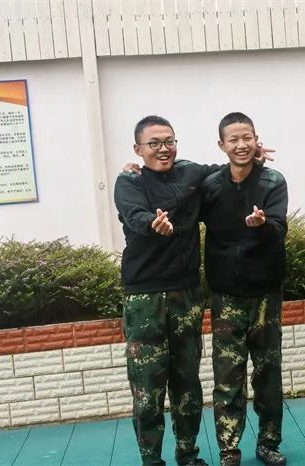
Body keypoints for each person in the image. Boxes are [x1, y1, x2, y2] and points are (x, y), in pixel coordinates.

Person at [114, 115, 210, 466]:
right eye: (153, 143)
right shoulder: (129, 181)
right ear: (138, 149)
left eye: (169, 141)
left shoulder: (190, 174)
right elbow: (134, 215)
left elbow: (225, 172)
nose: (163, 149)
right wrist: (153, 223)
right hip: (145, 298)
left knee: (188, 383)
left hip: (186, 294)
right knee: (147, 387)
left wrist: (251, 156)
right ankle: (151, 459)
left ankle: (188, 454)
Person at [202, 112, 288, 466]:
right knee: (228, 376)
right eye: (234, 140)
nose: (242, 145)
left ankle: (269, 442)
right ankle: (229, 448)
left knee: (268, 373)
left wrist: (262, 224)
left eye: (247, 138)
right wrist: (135, 171)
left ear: (257, 139)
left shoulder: (272, 181)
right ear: (221, 145)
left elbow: (279, 229)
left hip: (266, 294)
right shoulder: (210, 185)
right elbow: (178, 181)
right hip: (226, 296)